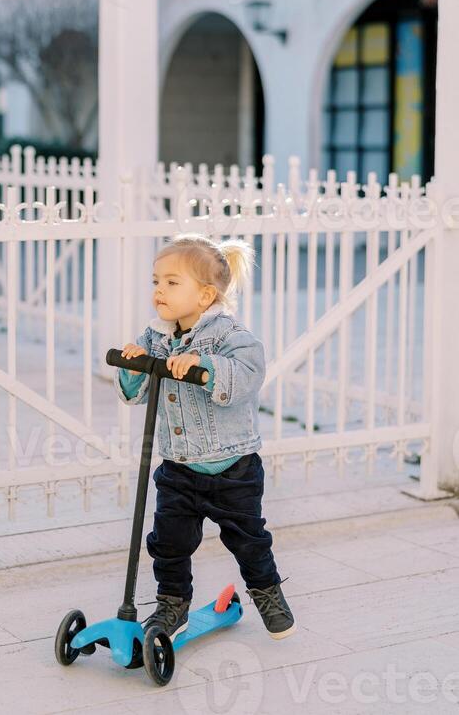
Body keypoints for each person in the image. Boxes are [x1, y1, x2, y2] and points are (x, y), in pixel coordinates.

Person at [114, 232, 295, 642]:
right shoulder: (155, 337)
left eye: (172, 283)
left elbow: (249, 373)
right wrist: (132, 365)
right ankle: (171, 603)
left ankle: (267, 592)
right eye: (156, 281)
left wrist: (206, 366)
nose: (159, 291)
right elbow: (134, 393)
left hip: (233, 467)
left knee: (248, 539)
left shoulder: (229, 334)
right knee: (168, 543)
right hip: (179, 466)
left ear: (205, 295)